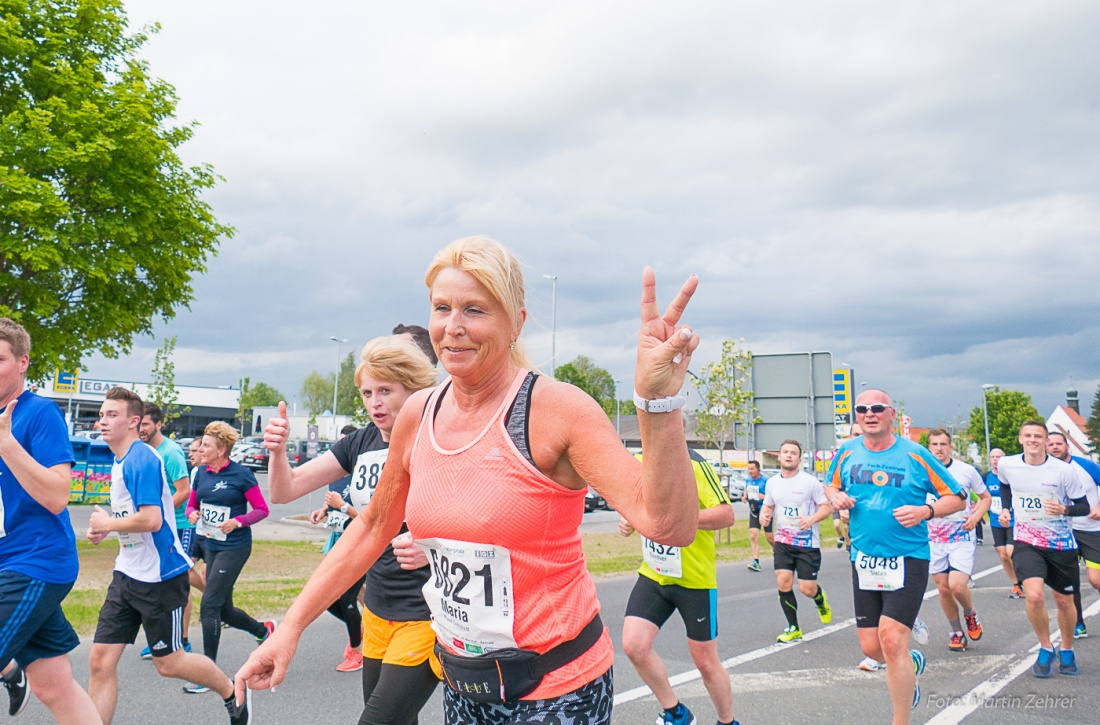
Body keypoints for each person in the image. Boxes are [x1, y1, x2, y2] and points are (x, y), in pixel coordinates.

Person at [236, 235, 702, 724]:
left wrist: (657, 404)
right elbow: (373, 526)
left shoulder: (557, 410)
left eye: (475, 310)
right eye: (442, 308)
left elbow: (668, 525)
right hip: (464, 686)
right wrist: (290, 627)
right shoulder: (418, 413)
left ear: (515, 323)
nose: (453, 328)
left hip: (557, 691)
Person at [270, 335, 441, 724]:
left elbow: (477, 513)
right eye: (367, 392)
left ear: (413, 389)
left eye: (385, 390)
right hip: (377, 608)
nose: (374, 403)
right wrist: (277, 454)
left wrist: (431, 544)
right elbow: (285, 491)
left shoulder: (436, 440)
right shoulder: (360, 442)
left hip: (427, 611)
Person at [86, 387, 250, 724]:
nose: (102, 421)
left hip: (160, 577)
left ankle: (233, 691)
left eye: (111, 415)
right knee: (100, 661)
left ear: (134, 421)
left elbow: (152, 519)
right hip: (127, 574)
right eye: (101, 415)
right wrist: (107, 528)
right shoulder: (120, 460)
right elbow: (136, 518)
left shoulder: (141, 458)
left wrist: (108, 522)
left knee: (170, 663)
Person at [826, 389, 965, 724]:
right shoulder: (846, 452)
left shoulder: (915, 455)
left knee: (890, 639)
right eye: (862, 409)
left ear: (891, 414)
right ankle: (910, 662)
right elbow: (829, 486)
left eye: (877, 408)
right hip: (864, 559)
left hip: (908, 558)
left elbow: (958, 498)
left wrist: (925, 510)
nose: (869, 413)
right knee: (873, 648)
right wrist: (837, 498)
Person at [0, 318, 100, 722]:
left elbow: (59, 495)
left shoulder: (40, 414)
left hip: (37, 563)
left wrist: (7, 445)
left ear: (22, 362)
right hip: (9, 563)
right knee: (53, 686)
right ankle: (16, 675)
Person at [619, 418, 736, 725]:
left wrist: (680, 519)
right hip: (654, 574)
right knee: (634, 645)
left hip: (694, 581)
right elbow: (636, 505)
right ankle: (676, 713)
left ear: (678, 430)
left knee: (706, 663)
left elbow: (726, 515)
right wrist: (630, 519)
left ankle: (727, 721)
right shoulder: (639, 462)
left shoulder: (698, 466)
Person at [184, 421, 275, 693]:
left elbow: (262, 509)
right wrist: (192, 513)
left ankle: (209, 675)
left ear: (222, 449)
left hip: (234, 547)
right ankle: (264, 632)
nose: (200, 448)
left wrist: (238, 521)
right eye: (201, 444)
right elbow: (192, 503)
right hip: (210, 545)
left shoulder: (241, 475)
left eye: (206, 445)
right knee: (223, 609)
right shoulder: (200, 473)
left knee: (209, 607)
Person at [996, 421, 1089, 677]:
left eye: (1038, 436)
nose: (1033, 440)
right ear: (1020, 439)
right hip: (1027, 540)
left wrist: (1064, 509)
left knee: (1064, 600)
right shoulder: (1008, 464)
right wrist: (1006, 509)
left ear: (1046, 441)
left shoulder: (1063, 471)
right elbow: (1005, 485)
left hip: (1060, 543)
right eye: (1028, 435)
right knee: (1034, 595)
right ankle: (1046, 647)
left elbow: (1083, 506)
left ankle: (1067, 649)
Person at [306, 424, 368, 673]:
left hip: (360, 545)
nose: (344, 448)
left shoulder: (364, 477)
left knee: (347, 599)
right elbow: (331, 500)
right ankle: (361, 630)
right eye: (340, 442)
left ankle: (357, 651)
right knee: (328, 599)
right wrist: (323, 511)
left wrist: (342, 507)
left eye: (348, 442)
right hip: (338, 545)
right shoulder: (339, 475)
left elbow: (369, 518)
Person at [759, 440, 833, 644]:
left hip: (807, 544)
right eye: (785, 452)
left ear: (799, 459)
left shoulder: (810, 482)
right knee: (783, 582)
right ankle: (794, 628)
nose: (789, 455)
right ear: (779, 456)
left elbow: (827, 507)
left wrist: (811, 519)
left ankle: (819, 598)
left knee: (806, 589)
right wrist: (764, 517)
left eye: (793, 453)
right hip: (783, 541)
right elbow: (768, 507)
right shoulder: (772, 482)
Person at [924, 429, 991, 652]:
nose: (939, 449)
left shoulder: (966, 471)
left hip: (961, 536)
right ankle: (956, 632)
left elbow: (985, 498)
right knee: (943, 589)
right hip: (934, 540)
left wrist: (976, 517)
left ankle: (970, 614)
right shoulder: (921, 472)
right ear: (929, 447)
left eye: (943, 444)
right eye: (935, 444)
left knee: (957, 586)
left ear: (951, 447)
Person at [137, 403, 195, 658]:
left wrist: (159, 514)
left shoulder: (170, 453)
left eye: (146, 424)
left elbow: (184, 490)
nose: (141, 429)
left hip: (178, 526)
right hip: (157, 526)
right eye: (139, 424)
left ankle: (182, 640)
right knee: (159, 580)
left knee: (178, 582)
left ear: (159, 425)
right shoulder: (142, 450)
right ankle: (161, 638)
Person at [1045, 431, 1100, 639]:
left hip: (1091, 529)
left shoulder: (1086, 466)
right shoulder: (1044, 470)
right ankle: (1078, 623)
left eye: (1059, 443)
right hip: (1062, 530)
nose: (1055, 447)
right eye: (1050, 444)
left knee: (1096, 580)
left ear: (1067, 446)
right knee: (1068, 579)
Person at [984, 448, 1023, 598]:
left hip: (1014, 520)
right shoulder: (986, 477)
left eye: (998, 457)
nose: (995, 460)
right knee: (1003, 554)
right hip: (996, 521)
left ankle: (1024, 577)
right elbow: (981, 495)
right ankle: (1016, 584)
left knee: (1011, 551)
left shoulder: (1011, 477)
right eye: (992, 457)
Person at [742, 460, 771, 572]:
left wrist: (762, 496)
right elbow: (747, 488)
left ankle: (777, 553)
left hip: (766, 511)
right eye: (748, 469)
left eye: (752, 469)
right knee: (753, 535)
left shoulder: (766, 481)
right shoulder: (748, 479)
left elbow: (771, 496)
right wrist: (744, 496)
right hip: (754, 510)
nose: (750, 471)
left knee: (769, 537)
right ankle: (756, 562)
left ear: (758, 469)